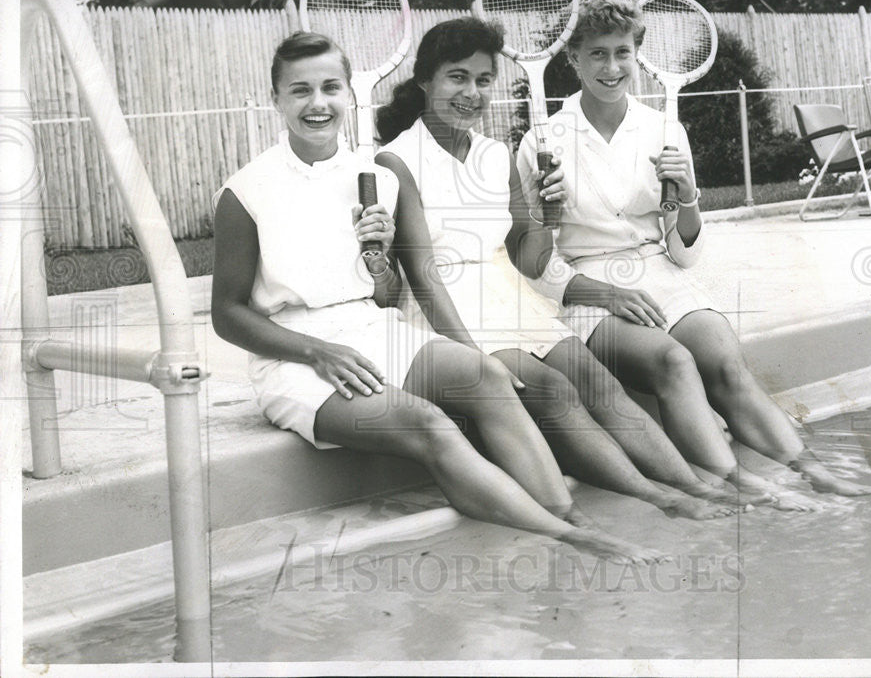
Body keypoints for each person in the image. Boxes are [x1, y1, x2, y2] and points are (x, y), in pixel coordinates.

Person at [211, 30, 665, 563]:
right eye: (300, 91)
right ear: (277, 99)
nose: (318, 104)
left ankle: (571, 515)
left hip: (367, 331)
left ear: (348, 96)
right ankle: (576, 538)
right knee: (430, 423)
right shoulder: (245, 190)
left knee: (488, 376)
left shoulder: (371, 175)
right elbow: (227, 314)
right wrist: (317, 352)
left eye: (331, 87)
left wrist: (378, 260)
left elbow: (384, 297)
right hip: (294, 356)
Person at [516, 0, 871, 500]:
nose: (612, 66)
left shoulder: (663, 130)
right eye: (597, 53)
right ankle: (743, 486)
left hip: (659, 271)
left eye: (623, 51)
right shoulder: (542, 140)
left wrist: (687, 196)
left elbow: (683, 251)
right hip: (588, 286)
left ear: (636, 55)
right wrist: (593, 282)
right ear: (572, 58)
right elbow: (533, 262)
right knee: (674, 362)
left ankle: (811, 468)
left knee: (727, 362)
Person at [375, 17, 744, 519]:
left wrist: (548, 216)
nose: (472, 92)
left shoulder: (494, 154)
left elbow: (529, 257)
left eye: (484, 80)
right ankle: (658, 496)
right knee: (552, 391)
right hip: (444, 307)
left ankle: (693, 485)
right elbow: (421, 274)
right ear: (425, 81)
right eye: (456, 77)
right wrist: (470, 359)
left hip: (508, 294)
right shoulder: (395, 160)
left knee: (598, 382)